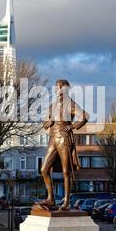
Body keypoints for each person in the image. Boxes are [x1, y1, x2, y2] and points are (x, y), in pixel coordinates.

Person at [40, 79, 89, 210]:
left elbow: (84, 117)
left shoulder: (71, 104)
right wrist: (48, 122)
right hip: (53, 138)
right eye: (56, 88)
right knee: (44, 169)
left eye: (59, 88)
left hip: (64, 138)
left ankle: (66, 202)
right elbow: (44, 121)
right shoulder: (53, 105)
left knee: (66, 171)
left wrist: (72, 126)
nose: (57, 90)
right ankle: (51, 199)